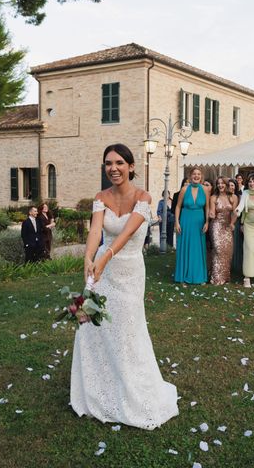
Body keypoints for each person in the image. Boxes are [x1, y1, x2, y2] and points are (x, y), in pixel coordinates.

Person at [71, 143, 178, 430]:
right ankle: (98, 390)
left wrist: (105, 257)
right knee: (94, 328)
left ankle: (133, 392)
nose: (113, 168)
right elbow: (96, 230)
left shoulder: (144, 197)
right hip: (101, 273)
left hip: (128, 271)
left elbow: (128, 231)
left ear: (131, 166)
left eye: (119, 163)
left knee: (127, 329)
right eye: (108, 163)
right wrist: (88, 257)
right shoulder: (100, 197)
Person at [174, 167, 210, 284]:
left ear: (201, 176)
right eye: (194, 174)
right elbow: (178, 206)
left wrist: (207, 222)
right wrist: (177, 222)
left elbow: (207, 207)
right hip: (185, 220)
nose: (196, 176)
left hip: (199, 221)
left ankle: (199, 277)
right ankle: (183, 276)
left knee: (198, 249)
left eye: (198, 174)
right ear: (190, 176)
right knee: (185, 247)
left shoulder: (205, 189)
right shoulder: (184, 189)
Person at [208, 177, 238, 285]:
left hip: (228, 225)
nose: (220, 185)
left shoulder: (233, 197)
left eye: (222, 183)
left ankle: (225, 277)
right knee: (218, 249)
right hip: (216, 225)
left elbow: (235, 213)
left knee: (227, 251)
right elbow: (211, 211)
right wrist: (211, 214)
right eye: (218, 183)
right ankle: (216, 277)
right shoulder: (213, 197)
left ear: (226, 185)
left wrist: (232, 223)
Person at [228, 178, 244, 276]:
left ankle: (236, 266)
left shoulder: (239, 196)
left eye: (232, 185)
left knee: (235, 244)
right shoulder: (224, 196)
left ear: (235, 186)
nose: (231, 187)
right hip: (225, 221)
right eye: (229, 185)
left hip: (236, 222)